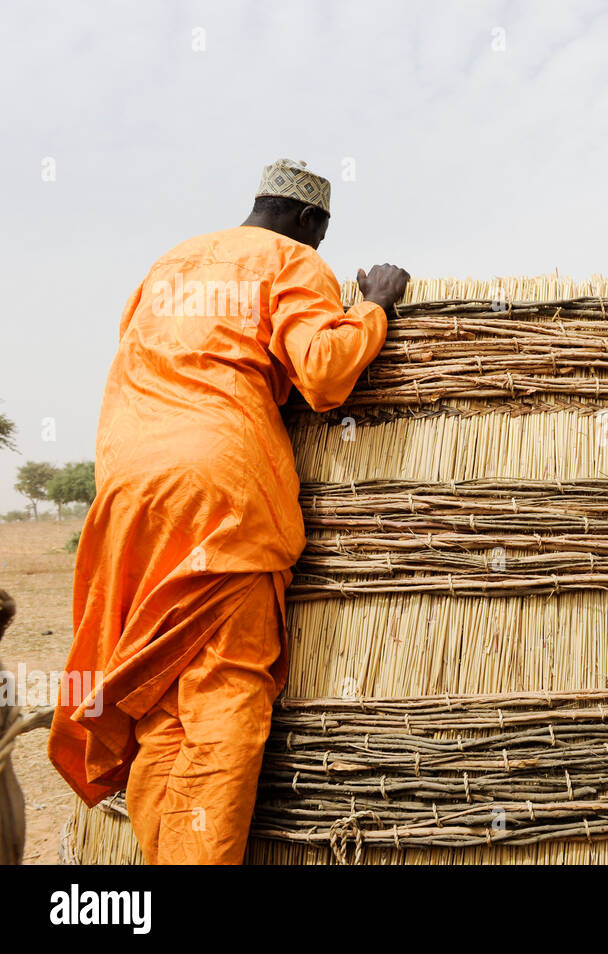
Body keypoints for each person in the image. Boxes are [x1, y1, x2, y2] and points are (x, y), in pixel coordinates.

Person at [48, 159, 410, 864]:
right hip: (220, 491)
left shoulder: (168, 266)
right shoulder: (290, 261)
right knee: (222, 694)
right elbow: (326, 372)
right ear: (311, 224)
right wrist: (375, 307)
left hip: (128, 490)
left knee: (161, 703)